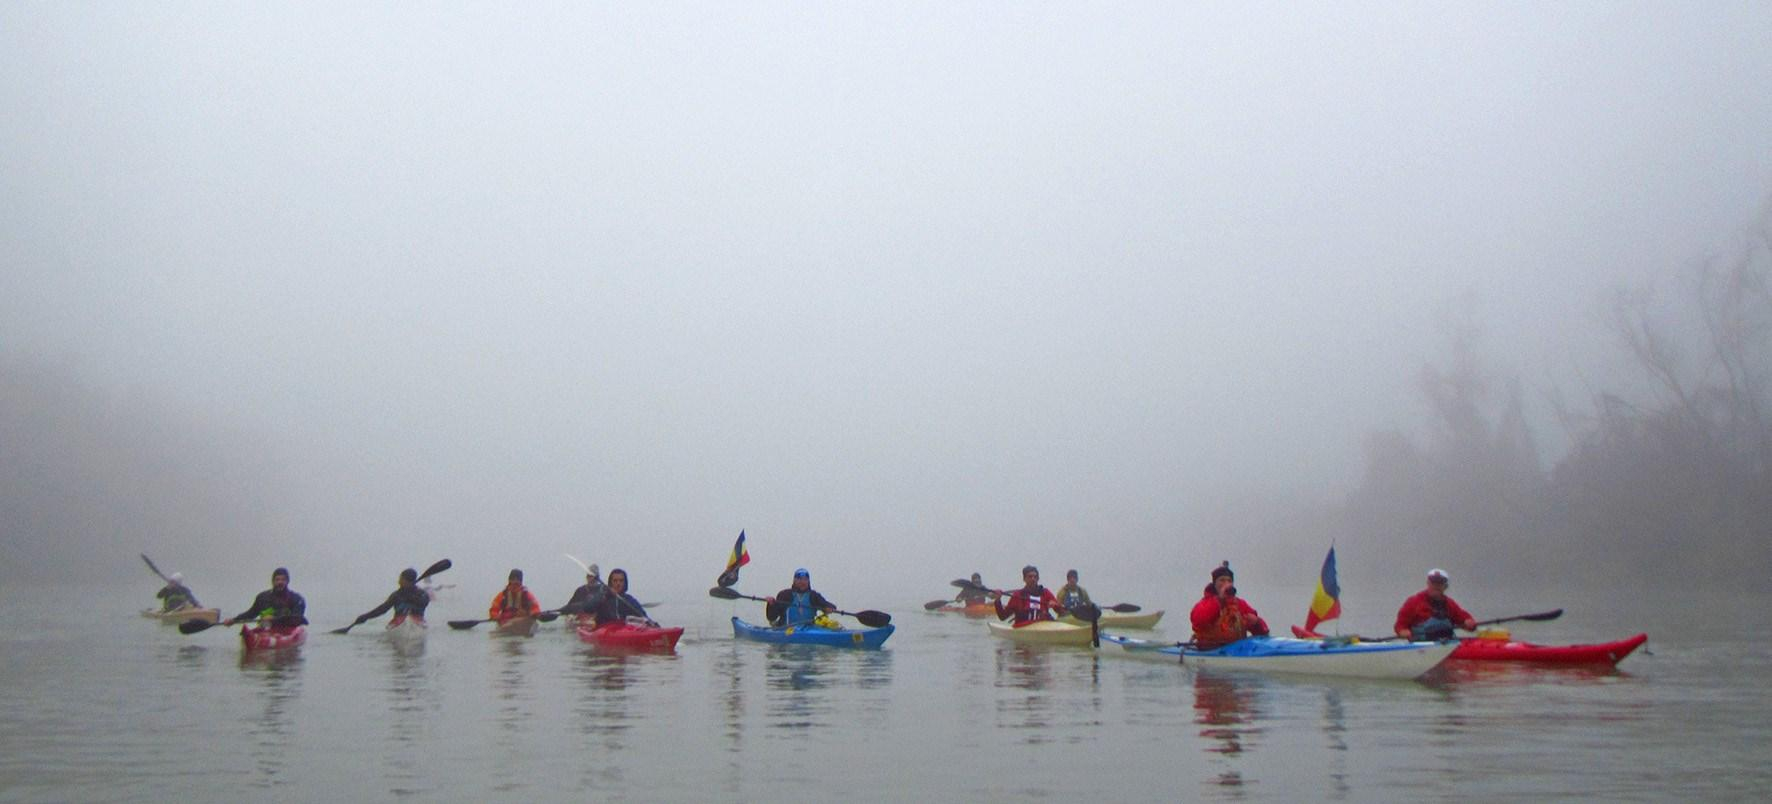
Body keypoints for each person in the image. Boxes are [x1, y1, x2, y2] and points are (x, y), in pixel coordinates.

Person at [1189, 562, 1268, 648]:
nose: (1226, 583)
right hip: (1210, 650)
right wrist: (1219, 600)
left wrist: (1257, 623)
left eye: (1229, 581)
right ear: (1214, 584)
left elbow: (1263, 632)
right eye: (1222, 580)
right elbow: (1198, 620)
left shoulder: (1240, 604)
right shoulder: (1206, 603)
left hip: (1235, 650)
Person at [1394, 568, 1477, 641]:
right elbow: (1399, 626)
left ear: (1445, 586)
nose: (1436, 586)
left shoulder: (1450, 604)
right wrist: (1403, 632)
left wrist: (1469, 624)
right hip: (1421, 645)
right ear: (1428, 583)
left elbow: (1464, 620)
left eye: (1440, 583)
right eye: (1433, 582)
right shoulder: (1413, 602)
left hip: (1447, 643)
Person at [223, 567, 307, 628]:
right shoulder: (263, 597)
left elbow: (296, 618)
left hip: (287, 629)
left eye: (283, 580)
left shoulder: (297, 599)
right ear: (273, 581)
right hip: (266, 628)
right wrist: (234, 620)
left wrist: (274, 618)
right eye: (277, 580)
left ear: (287, 581)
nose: (280, 582)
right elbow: (251, 613)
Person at [351, 567, 431, 627]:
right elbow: (382, 609)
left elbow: (423, 603)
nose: (399, 581)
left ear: (407, 580)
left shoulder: (422, 594)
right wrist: (366, 616)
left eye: (401, 579)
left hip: (415, 620)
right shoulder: (396, 595)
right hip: (400, 622)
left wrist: (409, 596)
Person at [992, 565, 1067, 624]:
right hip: (1023, 627)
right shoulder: (1017, 595)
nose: (1033, 579)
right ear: (1024, 579)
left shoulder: (1046, 593)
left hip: (1043, 626)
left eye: (1035, 577)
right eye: (1030, 576)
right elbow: (1003, 617)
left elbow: (1062, 612)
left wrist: (1055, 605)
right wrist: (998, 600)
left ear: (1038, 579)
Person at [585, 568, 655, 628]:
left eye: (621, 581)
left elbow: (644, 616)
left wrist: (653, 624)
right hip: (604, 629)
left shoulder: (629, 600)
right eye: (615, 581)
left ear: (625, 583)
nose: (618, 583)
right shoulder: (603, 597)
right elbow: (587, 608)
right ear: (611, 583)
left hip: (624, 629)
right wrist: (605, 594)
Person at [767, 568, 837, 628]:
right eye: (799, 579)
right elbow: (771, 617)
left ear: (808, 581)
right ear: (794, 580)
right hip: (786, 629)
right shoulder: (784, 594)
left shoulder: (814, 596)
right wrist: (771, 604)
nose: (802, 582)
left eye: (805, 579)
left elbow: (827, 605)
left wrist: (829, 608)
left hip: (808, 631)